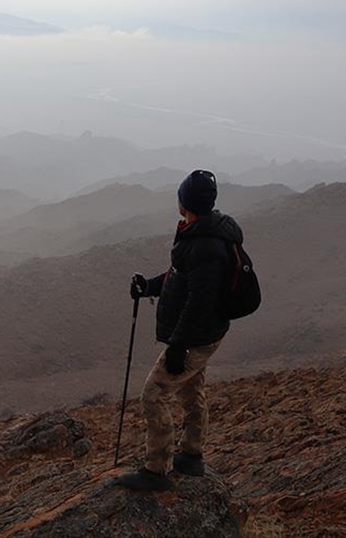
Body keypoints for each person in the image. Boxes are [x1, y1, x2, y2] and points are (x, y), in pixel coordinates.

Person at [113, 169, 244, 491]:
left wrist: (177, 346)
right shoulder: (200, 233)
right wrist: (148, 287)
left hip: (196, 338)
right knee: (190, 389)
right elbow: (179, 278)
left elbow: (200, 300)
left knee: (153, 396)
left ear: (185, 200)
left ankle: (157, 470)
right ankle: (192, 455)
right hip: (202, 333)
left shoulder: (205, 245)